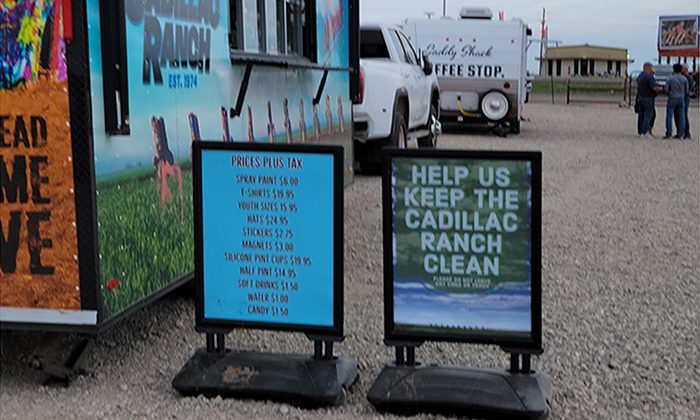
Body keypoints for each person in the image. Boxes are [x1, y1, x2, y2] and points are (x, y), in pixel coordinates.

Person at [663, 63, 689, 139]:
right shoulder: (684, 79)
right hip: (681, 97)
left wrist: (668, 93)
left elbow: (666, 89)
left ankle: (669, 133)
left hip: (672, 97)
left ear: (673, 69)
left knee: (669, 116)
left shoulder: (670, 78)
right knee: (682, 116)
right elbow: (687, 90)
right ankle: (681, 134)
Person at [636, 63, 659, 138]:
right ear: (649, 68)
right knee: (648, 115)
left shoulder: (640, 76)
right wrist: (660, 88)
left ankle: (640, 131)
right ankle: (645, 131)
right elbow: (654, 87)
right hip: (648, 97)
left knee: (641, 115)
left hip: (640, 97)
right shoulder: (649, 76)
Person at [681, 64, 694, 139]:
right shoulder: (687, 77)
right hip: (684, 97)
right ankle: (682, 132)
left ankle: (686, 132)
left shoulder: (688, 78)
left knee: (684, 115)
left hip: (685, 98)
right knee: (682, 115)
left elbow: (688, 89)